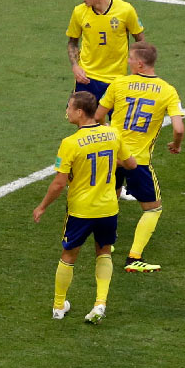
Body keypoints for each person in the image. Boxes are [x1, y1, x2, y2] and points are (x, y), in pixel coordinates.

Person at [33, 91, 138, 323]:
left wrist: (42, 207)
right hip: (108, 208)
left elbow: (59, 183)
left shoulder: (69, 144)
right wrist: (109, 158)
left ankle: (59, 306)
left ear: (80, 112)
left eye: (69, 107)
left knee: (69, 255)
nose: (67, 111)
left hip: (81, 210)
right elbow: (131, 164)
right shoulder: (112, 134)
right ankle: (100, 303)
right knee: (103, 251)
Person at [95, 43, 185, 272]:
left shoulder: (119, 83)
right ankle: (134, 258)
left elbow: (98, 116)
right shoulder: (167, 90)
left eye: (130, 59)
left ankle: (105, 244)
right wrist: (176, 145)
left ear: (140, 64)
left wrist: (110, 136)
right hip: (138, 161)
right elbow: (179, 128)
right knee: (153, 208)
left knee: (109, 198)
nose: (127, 62)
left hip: (112, 155)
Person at [65, 0, 147, 103]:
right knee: (82, 121)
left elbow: (141, 42)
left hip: (115, 81)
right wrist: (75, 66)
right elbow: (72, 42)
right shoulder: (79, 12)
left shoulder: (125, 10)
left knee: (116, 122)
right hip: (86, 78)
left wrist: (138, 69)